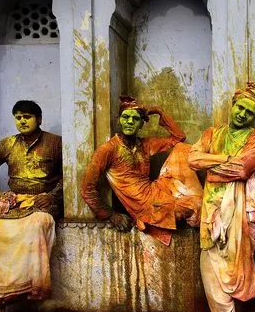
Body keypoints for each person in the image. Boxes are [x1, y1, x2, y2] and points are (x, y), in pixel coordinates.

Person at [188, 81, 255, 312]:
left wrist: (213, 168)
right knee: (210, 269)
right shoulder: (212, 133)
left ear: (254, 116)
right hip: (212, 209)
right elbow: (193, 159)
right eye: (240, 107)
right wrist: (223, 158)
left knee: (238, 271)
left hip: (240, 210)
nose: (242, 114)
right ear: (232, 106)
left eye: (249, 111)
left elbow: (242, 169)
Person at [0, 100, 62, 312]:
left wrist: (52, 196)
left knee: (35, 227)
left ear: (39, 119)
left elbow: (72, 174)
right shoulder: (6, 144)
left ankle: (20, 291)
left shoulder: (56, 143)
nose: (22, 121)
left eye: (27, 117)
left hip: (43, 202)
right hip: (13, 201)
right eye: (18, 117)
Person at [80, 95, 202, 246]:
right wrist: (110, 215)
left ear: (141, 124)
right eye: (126, 117)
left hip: (156, 190)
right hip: (145, 207)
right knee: (193, 206)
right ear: (119, 120)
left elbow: (179, 137)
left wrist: (158, 111)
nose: (130, 122)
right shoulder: (108, 150)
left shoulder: (144, 144)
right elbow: (87, 189)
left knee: (183, 149)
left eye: (135, 118)